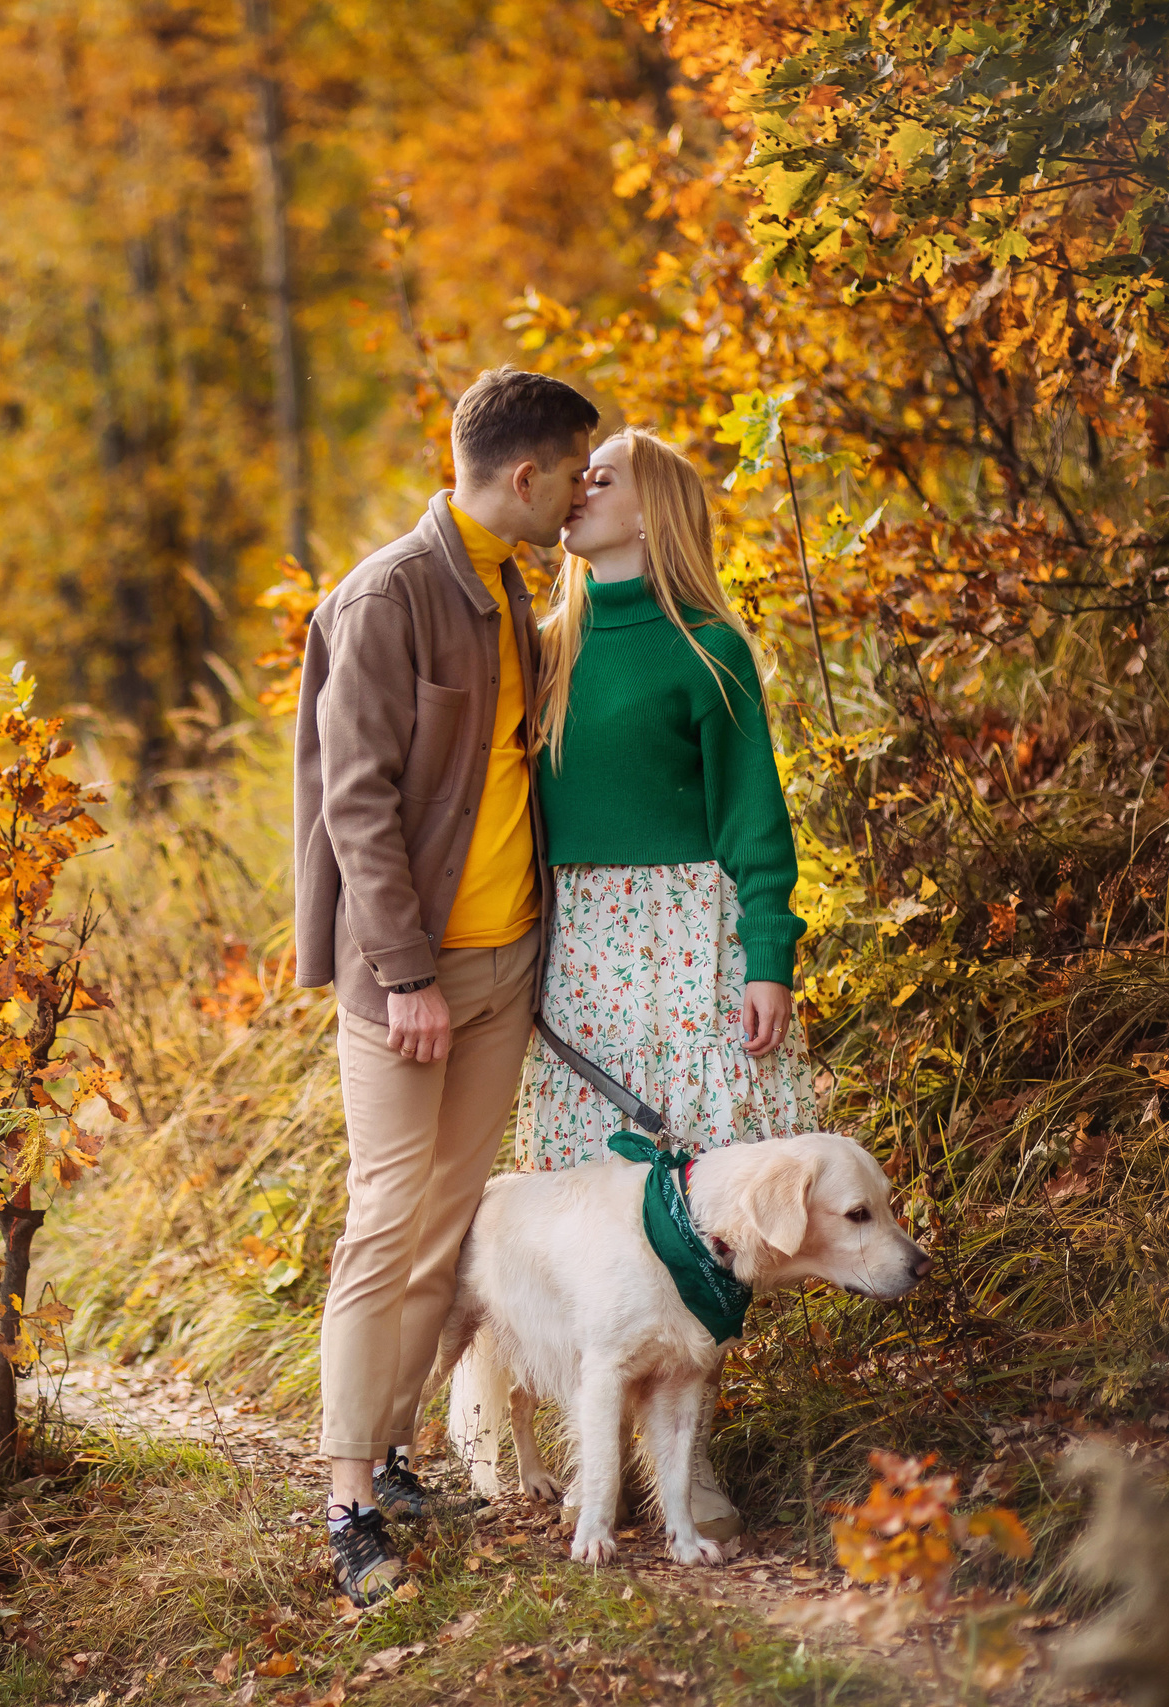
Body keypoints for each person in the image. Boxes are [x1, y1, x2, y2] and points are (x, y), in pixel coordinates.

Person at [291, 366, 598, 1605]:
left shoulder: (512, 593)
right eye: (573, 473)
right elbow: (355, 802)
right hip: (404, 983)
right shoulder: (389, 595)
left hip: (502, 968)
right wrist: (407, 973)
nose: (579, 495)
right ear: (522, 475)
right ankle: (348, 1502)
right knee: (382, 1222)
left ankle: (397, 1451)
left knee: (439, 1229)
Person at [516, 425, 818, 1541]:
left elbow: (754, 818)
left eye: (601, 479)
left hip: (687, 944)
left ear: (652, 511)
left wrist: (766, 956)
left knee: (689, 1208)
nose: (573, 491)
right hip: (578, 945)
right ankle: (563, 1449)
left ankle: (683, 1473)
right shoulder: (542, 642)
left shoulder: (710, 648)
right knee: (575, 1200)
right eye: (573, 476)